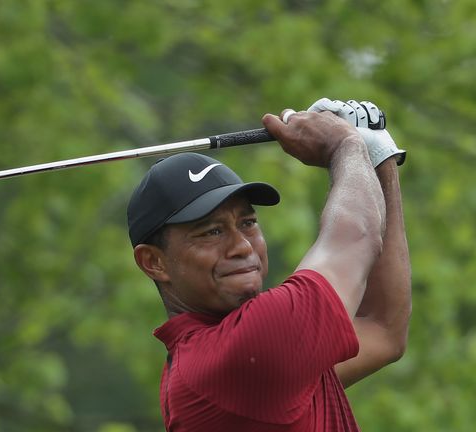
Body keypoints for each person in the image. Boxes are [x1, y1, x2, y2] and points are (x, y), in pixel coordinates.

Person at [126, 98, 411, 431]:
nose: (242, 246)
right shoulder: (239, 355)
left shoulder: (266, 362)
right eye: (212, 232)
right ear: (154, 262)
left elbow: (381, 328)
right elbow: (356, 237)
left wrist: (378, 158)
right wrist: (344, 144)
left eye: (247, 223)